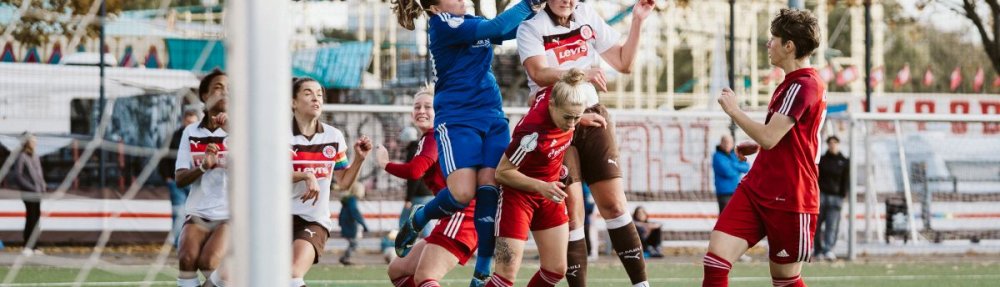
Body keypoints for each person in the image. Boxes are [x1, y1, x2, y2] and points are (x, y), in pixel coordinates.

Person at [391, 0, 545, 284]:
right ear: (436, 7)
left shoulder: (470, 21)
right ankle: (420, 217)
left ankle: (483, 267)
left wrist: (541, 16)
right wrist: (529, 3)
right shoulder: (443, 24)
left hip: (492, 115)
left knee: (490, 187)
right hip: (458, 119)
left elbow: (507, 31)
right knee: (463, 193)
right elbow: (497, 26)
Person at [516, 0, 654, 285]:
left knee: (615, 205)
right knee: (572, 212)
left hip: (592, 115)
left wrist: (638, 21)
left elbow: (624, 64)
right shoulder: (530, 26)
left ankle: (642, 284)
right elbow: (538, 73)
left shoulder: (586, 15)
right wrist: (578, 75)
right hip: (554, 122)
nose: (567, 1)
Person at [705, 8, 826, 287]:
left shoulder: (805, 85)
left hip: (791, 196)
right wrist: (758, 144)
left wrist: (735, 111)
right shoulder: (791, 84)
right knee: (715, 260)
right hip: (758, 188)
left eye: (774, 38)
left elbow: (771, 137)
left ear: (789, 45)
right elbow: (784, 138)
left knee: (785, 281)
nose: (768, 44)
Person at [487, 69, 589, 287]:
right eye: (567, 117)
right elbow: (502, 172)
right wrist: (540, 186)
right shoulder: (531, 134)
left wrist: (583, 117)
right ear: (552, 105)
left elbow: (545, 90)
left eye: (577, 117)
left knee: (556, 270)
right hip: (518, 196)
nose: (572, 125)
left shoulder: (562, 91)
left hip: (549, 194)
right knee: (505, 276)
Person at [382, 87, 481, 287]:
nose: (422, 110)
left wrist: (384, 163)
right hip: (453, 215)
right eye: (417, 106)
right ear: (411, 113)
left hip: (463, 215)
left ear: (440, 110)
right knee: (397, 271)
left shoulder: (434, 135)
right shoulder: (439, 135)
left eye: (428, 106)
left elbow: (415, 171)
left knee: (425, 277)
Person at [288, 76, 372, 284]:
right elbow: (272, 173)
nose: (316, 98)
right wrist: (306, 175)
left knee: (292, 273)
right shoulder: (278, 133)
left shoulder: (333, 136)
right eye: (308, 93)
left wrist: (359, 160)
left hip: (313, 220)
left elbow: (343, 182)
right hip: (275, 219)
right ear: (293, 102)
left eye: (319, 94)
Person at [174, 69, 231, 287]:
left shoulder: (243, 129)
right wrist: (203, 167)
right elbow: (180, 178)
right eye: (218, 87)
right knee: (187, 259)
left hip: (231, 214)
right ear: (205, 96)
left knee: (209, 262)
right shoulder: (191, 132)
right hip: (198, 211)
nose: (225, 92)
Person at [158, 109, 200, 248]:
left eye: (192, 122)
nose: (189, 124)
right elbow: (163, 158)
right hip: (177, 182)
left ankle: (193, 242)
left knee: (198, 213)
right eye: (188, 121)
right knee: (179, 213)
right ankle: (177, 243)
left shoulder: (202, 136)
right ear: (183, 121)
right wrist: (167, 177)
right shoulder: (174, 137)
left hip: (195, 181)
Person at [6, 132, 46, 256]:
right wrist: (31, 187)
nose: (35, 142)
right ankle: (27, 246)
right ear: (27, 142)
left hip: (38, 192)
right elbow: (18, 176)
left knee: (37, 218)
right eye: (33, 140)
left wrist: (42, 185)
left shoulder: (36, 156)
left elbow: (39, 174)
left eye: (36, 140)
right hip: (28, 192)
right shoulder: (21, 156)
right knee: (31, 217)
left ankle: (35, 246)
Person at [814, 136, 849, 261]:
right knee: (816, 226)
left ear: (838, 144)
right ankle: (817, 250)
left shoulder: (844, 161)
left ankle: (828, 249)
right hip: (821, 197)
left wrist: (843, 196)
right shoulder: (822, 160)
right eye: (830, 143)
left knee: (832, 226)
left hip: (836, 198)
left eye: (835, 142)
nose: (832, 145)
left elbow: (846, 180)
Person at [712, 134, 750, 213]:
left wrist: (733, 164)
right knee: (725, 217)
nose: (727, 144)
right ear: (721, 143)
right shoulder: (717, 156)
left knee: (736, 216)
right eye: (725, 142)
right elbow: (727, 172)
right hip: (724, 193)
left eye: (729, 142)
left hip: (736, 191)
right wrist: (738, 168)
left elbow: (746, 167)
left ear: (732, 143)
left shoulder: (735, 154)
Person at [339, 183, 371, 266]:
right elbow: (355, 212)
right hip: (350, 224)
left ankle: (346, 258)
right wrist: (364, 225)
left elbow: (342, 213)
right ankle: (346, 258)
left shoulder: (347, 199)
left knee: (352, 243)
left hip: (345, 222)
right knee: (354, 243)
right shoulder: (352, 200)